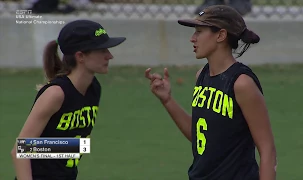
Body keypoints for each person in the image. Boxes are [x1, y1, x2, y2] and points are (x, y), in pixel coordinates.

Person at [145, 5, 277, 180]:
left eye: (199, 31)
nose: (192, 39)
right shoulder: (202, 76)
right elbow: (200, 136)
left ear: (221, 35)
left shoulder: (241, 83)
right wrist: (168, 101)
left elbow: (267, 149)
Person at [11, 19, 126, 180]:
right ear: (80, 56)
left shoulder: (94, 88)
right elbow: (19, 151)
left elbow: (72, 144)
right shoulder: (56, 94)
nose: (110, 56)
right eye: (102, 50)